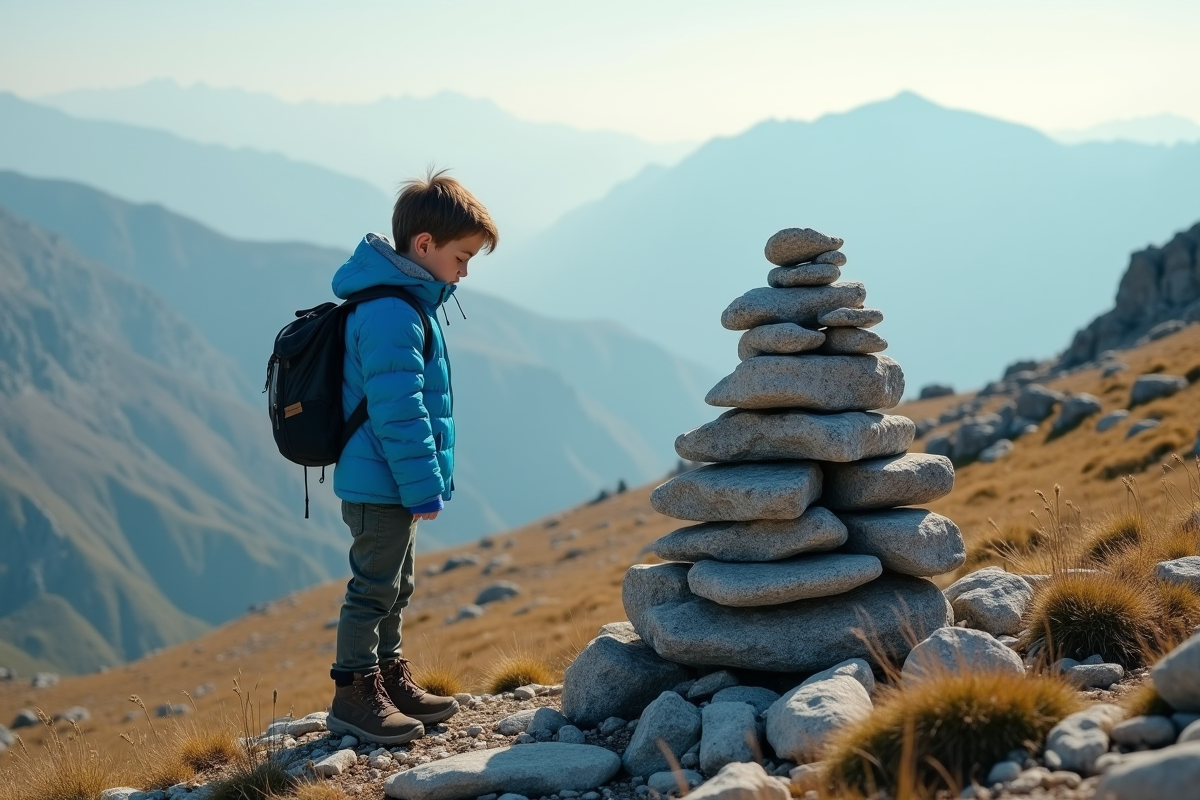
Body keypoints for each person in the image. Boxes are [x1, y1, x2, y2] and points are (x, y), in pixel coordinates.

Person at [325, 170, 498, 744]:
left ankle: (390, 677)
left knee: (396, 586)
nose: (465, 271)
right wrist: (423, 485)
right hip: (381, 483)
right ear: (424, 245)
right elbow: (400, 412)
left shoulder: (408, 303)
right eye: (462, 256)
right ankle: (353, 693)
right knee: (372, 587)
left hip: (388, 480)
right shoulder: (393, 312)